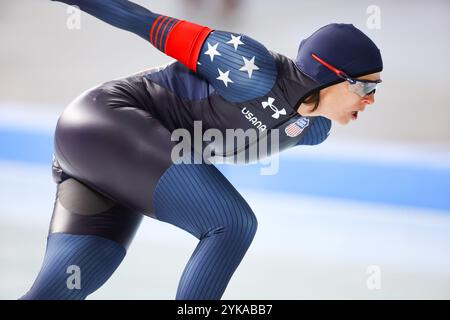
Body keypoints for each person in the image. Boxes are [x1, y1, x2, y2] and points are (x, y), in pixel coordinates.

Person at [21, 0, 383, 300]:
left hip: (107, 163)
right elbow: (143, 21)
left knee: (60, 290)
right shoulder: (250, 67)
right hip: (103, 122)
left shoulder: (313, 129)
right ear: (332, 76)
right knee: (230, 223)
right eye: (366, 88)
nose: (371, 100)